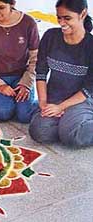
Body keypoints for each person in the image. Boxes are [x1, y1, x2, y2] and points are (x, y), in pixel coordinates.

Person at [29, 0, 93, 147]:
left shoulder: (90, 46)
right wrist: (44, 104)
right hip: (55, 98)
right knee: (39, 131)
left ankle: (73, 122)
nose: (62, 23)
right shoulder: (50, 36)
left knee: (72, 136)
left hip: (82, 100)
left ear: (83, 14)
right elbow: (41, 73)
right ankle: (70, 122)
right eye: (59, 18)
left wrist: (61, 108)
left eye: (67, 18)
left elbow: (89, 89)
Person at [0, 0, 39, 123]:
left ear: (12, 4)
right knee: (3, 113)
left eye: (1, 8)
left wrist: (27, 83)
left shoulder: (28, 23)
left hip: (22, 76)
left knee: (25, 116)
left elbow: (36, 59)